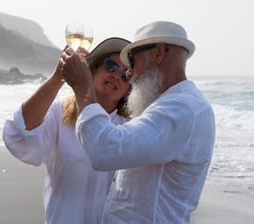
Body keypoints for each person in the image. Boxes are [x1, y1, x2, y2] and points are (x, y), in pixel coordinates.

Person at [61, 21, 215, 224]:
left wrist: (82, 87)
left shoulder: (181, 109)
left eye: (132, 63)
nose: (129, 74)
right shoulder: (173, 104)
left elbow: (104, 150)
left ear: (159, 53)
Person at [2, 37, 132, 224]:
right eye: (110, 66)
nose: (116, 75)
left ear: (129, 89)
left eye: (126, 74)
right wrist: (58, 77)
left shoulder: (131, 128)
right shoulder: (60, 114)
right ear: (92, 70)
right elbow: (19, 136)